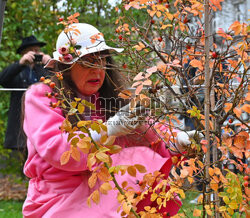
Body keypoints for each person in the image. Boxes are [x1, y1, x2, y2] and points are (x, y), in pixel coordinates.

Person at [22, 23, 199, 218]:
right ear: (66, 67)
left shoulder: (110, 97)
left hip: (102, 190)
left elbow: (148, 127)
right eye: (87, 62)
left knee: (139, 157)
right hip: (56, 197)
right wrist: (108, 130)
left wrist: (177, 139)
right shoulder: (42, 96)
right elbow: (57, 149)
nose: (97, 70)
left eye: (102, 61)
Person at [0, 35, 51, 151]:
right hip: (21, 125)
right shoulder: (17, 71)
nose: (35, 53)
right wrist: (20, 63)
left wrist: (50, 64)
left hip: (42, 122)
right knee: (24, 161)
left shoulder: (42, 70)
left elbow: (56, 85)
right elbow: (2, 80)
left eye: (37, 50)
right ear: (24, 53)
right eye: (32, 51)